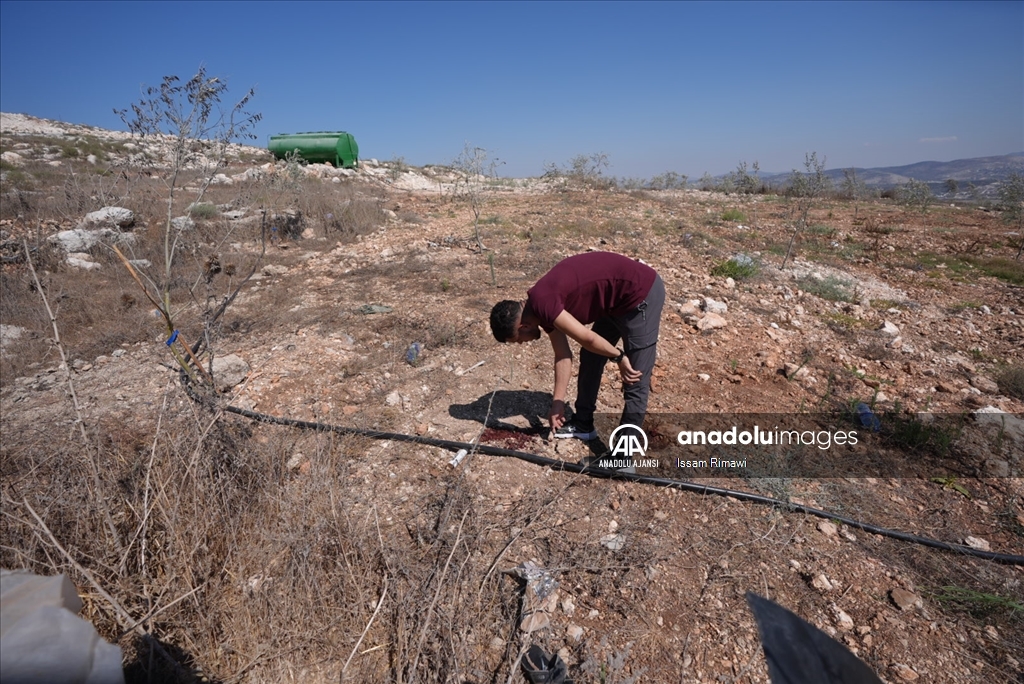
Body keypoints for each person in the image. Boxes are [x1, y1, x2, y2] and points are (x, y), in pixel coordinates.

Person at [489, 252, 665, 446]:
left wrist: (619, 357)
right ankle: (583, 425)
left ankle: (624, 456)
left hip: (640, 295)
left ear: (524, 327)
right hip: (614, 301)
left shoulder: (543, 303)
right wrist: (557, 401)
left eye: (518, 340)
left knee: (635, 377)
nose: (522, 343)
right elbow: (563, 355)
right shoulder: (537, 310)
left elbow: (588, 337)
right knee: (591, 355)